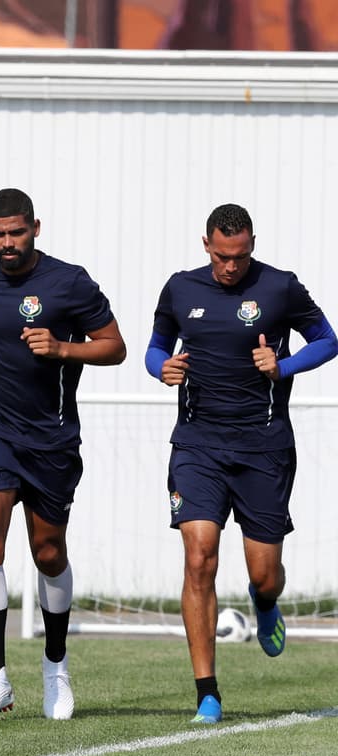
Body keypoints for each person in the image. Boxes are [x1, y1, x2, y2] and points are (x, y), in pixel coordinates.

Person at [0, 188, 126, 721]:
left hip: (51, 439)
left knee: (47, 553)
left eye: (16, 233)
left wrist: (63, 348)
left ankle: (55, 666)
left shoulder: (69, 281)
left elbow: (115, 346)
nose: (7, 243)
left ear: (35, 228)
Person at [146, 203, 337, 725]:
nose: (232, 266)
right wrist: (160, 367)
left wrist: (285, 364)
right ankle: (207, 692)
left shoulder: (280, 287)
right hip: (197, 446)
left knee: (264, 572)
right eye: (224, 256)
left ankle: (266, 600)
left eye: (242, 256)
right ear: (206, 244)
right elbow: (156, 346)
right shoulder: (180, 289)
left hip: (264, 447)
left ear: (252, 245)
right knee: (200, 557)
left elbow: (328, 340)